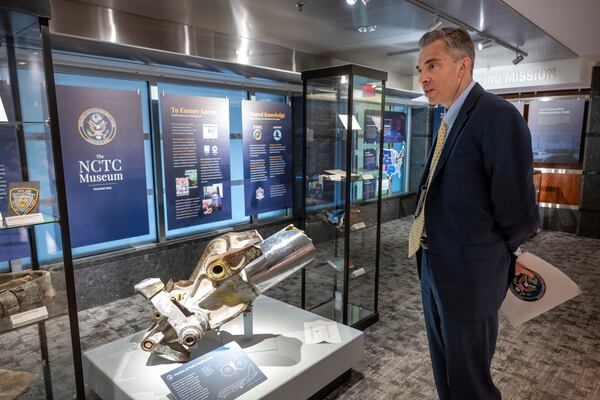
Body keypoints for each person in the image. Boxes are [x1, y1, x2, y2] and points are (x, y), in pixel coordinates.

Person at [408, 28, 539, 399]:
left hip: (471, 273)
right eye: (420, 68)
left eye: (433, 64)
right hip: (434, 263)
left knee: (471, 382)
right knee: (445, 370)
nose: (424, 77)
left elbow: (519, 213)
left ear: (463, 66)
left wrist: (497, 255)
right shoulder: (449, 118)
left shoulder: (498, 117)